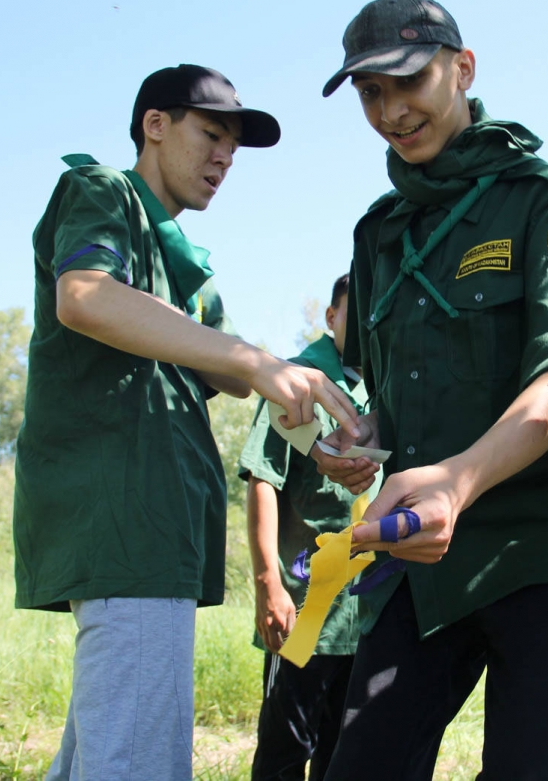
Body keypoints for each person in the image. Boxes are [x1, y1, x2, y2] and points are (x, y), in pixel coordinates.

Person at [314, 0, 548, 780]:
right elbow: (386, 390)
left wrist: (456, 482)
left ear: (462, 69)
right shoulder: (378, 232)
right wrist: (359, 440)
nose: (392, 111)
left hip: (546, 537)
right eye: (370, 93)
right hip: (421, 547)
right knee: (364, 761)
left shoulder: (546, 201)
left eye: (409, 82)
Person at [13, 63, 359, 781]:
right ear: (155, 125)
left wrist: (311, 411)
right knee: (137, 765)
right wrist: (259, 363)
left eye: (234, 146)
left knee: (97, 759)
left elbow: (226, 378)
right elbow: (83, 296)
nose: (224, 157)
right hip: (123, 520)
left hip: (157, 530)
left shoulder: (182, 259)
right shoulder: (103, 193)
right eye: (211, 134)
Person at [238, 273, 375, 781]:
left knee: (344, 755)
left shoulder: (386, 386)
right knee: (285, 748)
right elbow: (262, 481)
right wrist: (268, 583)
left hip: (367, 612)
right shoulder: (296, 380)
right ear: (332, 317)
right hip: (305, 606)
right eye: (353, 312)